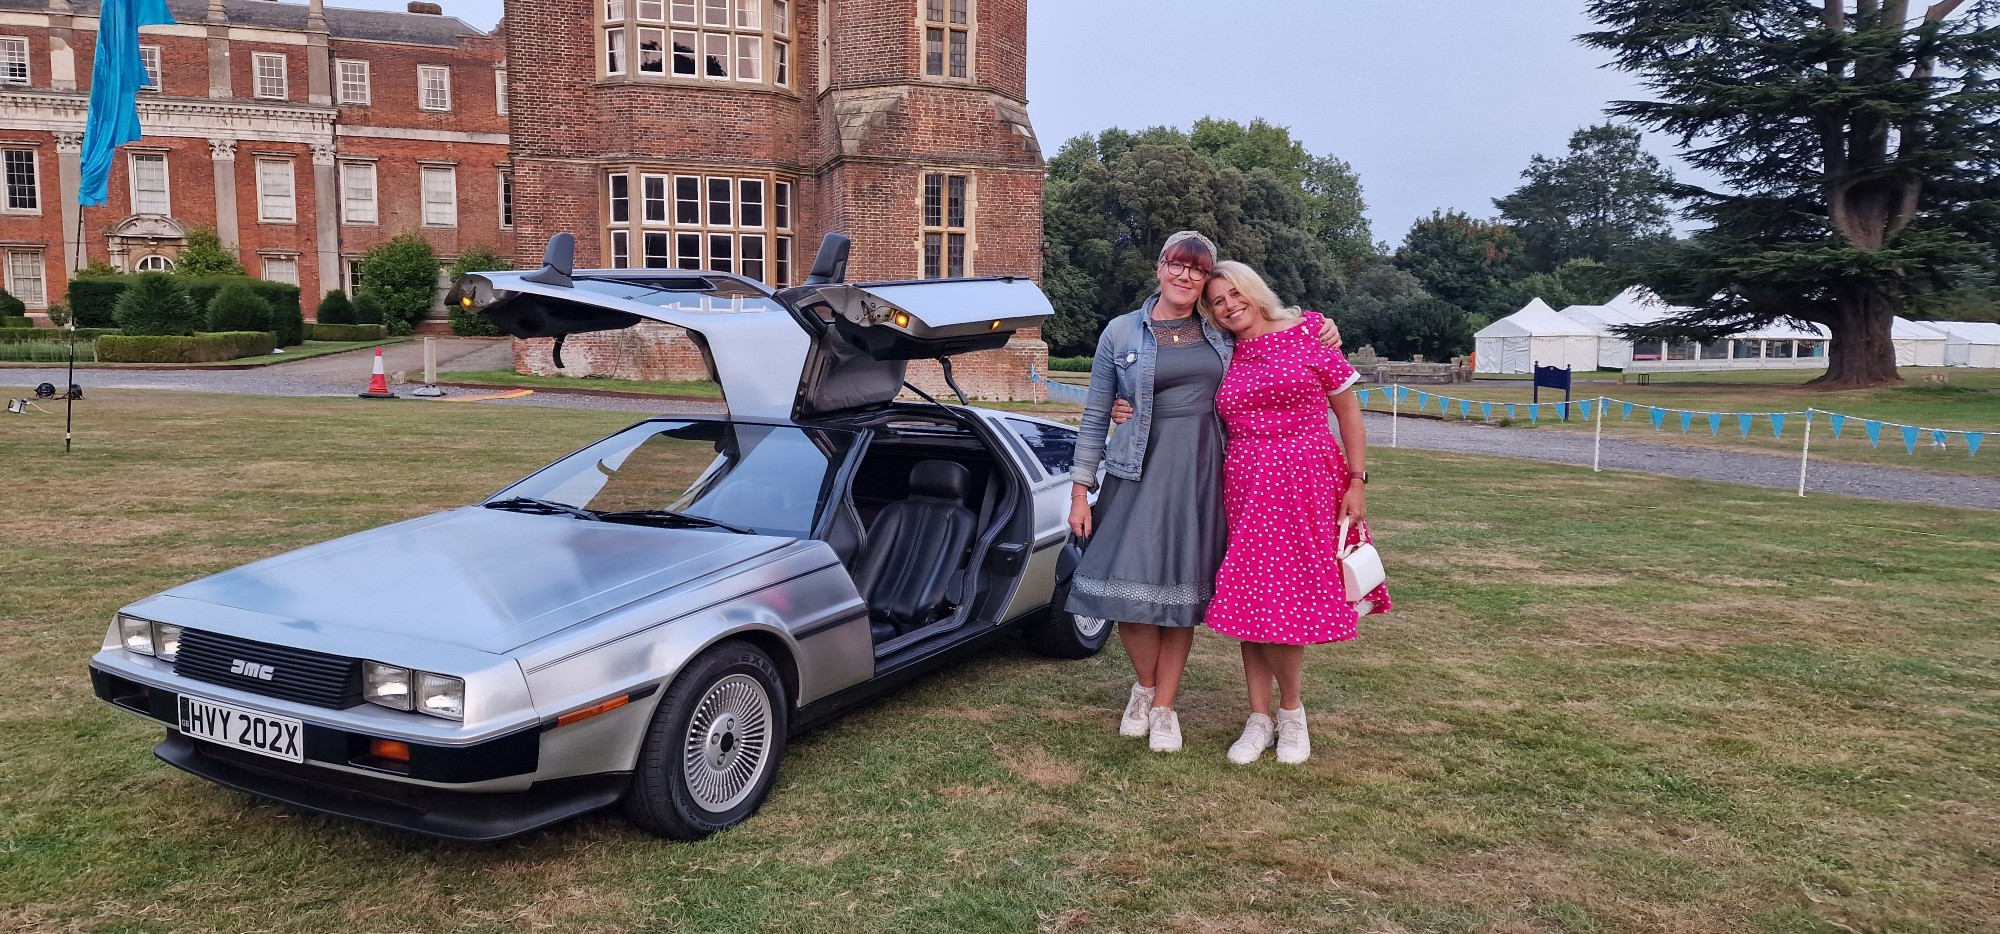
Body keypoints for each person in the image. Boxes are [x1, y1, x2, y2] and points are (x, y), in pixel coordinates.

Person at [1067, 233, 1338, 753]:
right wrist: (1082, 489)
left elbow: (1271, 330)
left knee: (1183, 588)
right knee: (1128, 587)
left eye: (1197, 270)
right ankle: (1143, 689)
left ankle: (1165, 708)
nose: (1186, 277)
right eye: (1177, 265)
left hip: (1207, 470)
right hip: (1135, 469)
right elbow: (1096, 413)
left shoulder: (1218, 328)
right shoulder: (1121, 332)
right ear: (1160, 267)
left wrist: (1320, 327)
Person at [1199, 261, 1390, 766]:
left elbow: (1347, 410)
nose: (1229, 305)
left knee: (1288, 596)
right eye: (1217, 301)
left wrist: (1357, 478)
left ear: (1255, 292)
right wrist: (1121, 406)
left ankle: (1291, 714)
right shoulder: (1221, 351)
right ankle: (1258, 718)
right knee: (1251, 596)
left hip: (1307, 478)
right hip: (1245, 480)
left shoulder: (1309, 333)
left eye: (1235, 294)